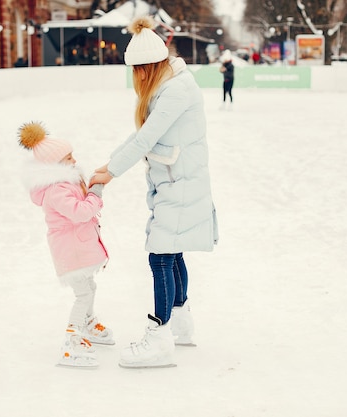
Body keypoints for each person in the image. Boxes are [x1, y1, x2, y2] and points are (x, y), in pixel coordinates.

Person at [89, 16, 218, 368]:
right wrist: (109, 164)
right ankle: (181, 325)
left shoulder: (176, 90)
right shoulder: (172, 84)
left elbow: (145, 138)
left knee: (160, 256)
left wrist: (110, 173)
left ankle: (159, 338)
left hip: (181, 184)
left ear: (145, 69)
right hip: (177, 182)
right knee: (172, 254)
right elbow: (144, 136)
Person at [18, 121, 113, 368]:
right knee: (83, 294)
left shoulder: (66, 183)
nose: (74, 161)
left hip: (77, 249)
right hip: (71, 253)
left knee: (89, 288)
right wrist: (95, 195)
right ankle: (72, 340)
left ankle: (88, 323)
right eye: (68, 158)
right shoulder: (56, 190)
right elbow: (80, 212)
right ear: (55, 165)